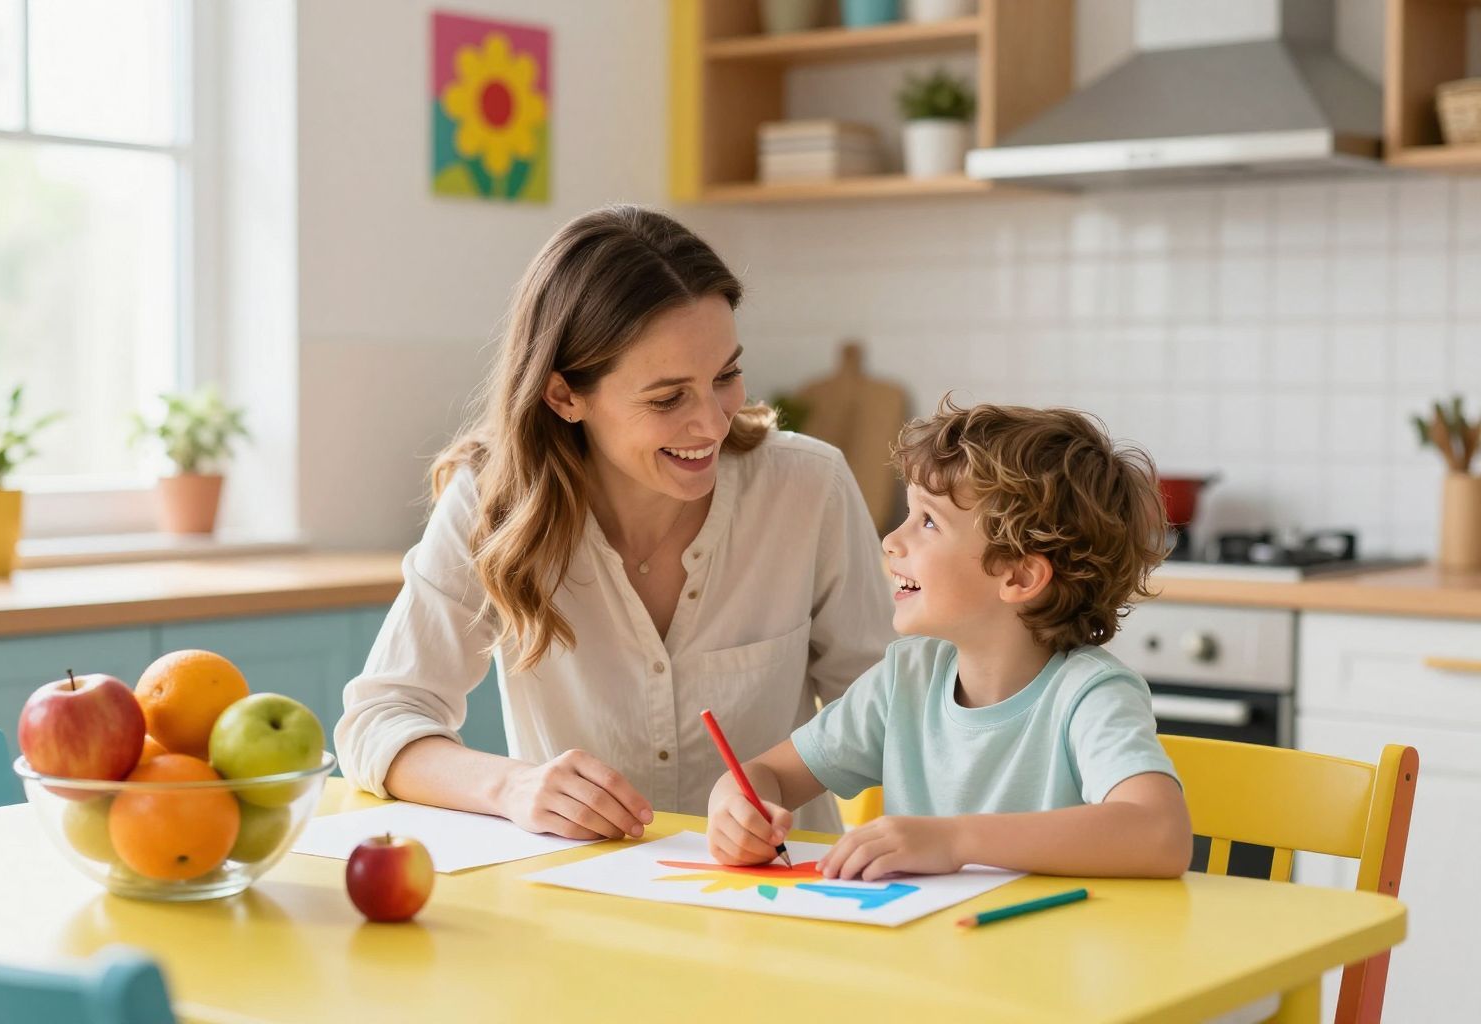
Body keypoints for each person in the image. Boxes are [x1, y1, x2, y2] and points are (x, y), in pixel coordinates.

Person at [336, 205, 895, 839]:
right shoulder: (491, 503)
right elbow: (380, 718)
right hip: (578, 901)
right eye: (667, 398)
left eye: (727, 376)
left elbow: (891, 709)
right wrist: (512, 787)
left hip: (776, 896)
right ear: (564, 396)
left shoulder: (807, 487)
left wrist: (771, 779)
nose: (712, 422)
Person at [706, 400, 1194, 880]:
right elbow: (766, 775)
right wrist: (735, 804)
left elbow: (1161, 834)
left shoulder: (1090, 694)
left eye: (929, 522)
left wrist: (955, 841)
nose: (891, 541)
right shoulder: (906, 679)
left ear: (1020, 576)